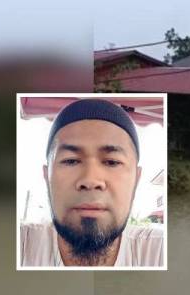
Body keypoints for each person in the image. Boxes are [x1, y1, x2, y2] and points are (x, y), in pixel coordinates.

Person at [20, 99, 164, 267]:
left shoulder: (161, 251)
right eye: (71, 161)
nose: (90, 180)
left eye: (111, 162)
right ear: (47, 176)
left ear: (136, 179)